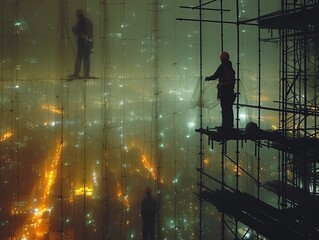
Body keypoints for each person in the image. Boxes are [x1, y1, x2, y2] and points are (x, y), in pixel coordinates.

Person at [205, 51, 236, 132]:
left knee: (225, 109)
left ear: (222, 59)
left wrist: (207, 78)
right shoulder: (231, 69)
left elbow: (216, 76)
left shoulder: (222, 68)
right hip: (230, 92)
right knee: (229, 109)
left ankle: (225, 126)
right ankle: (229, 125)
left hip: (225, 92)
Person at [69, 9, 93, 79]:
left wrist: (77, 33)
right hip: (87, 42)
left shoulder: (81, 21)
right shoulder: (87, 21)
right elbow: (90, 33)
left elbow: (77, 31)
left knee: (80, 57)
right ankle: (86, 74)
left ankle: (77, 73)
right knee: (86, 58)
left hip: (83, 42)